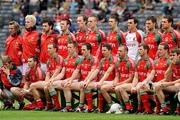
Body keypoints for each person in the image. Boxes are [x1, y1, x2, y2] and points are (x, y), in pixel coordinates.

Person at [117, 43, 154, 113]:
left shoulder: (150, 61)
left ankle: (140, 108)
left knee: (140, 87)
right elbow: (136, 77)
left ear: (146, 50)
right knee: (120, 88)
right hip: (138, 84)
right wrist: (133, 86)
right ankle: (128, 108)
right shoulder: (138, 62)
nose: (139, 51)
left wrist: (139, 84)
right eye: (138, 49)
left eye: (140, 49)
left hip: (150, 84)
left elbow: (149, 78)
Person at [61, 42, 98, 112]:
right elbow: (76, 71)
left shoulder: (94, 59)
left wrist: (86, 81)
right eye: (82, 50)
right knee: (66, 85)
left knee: (82, 86)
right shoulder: (81, 59)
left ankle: (82, 106)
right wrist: (70, 80)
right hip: (82, 81)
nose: (82, 51)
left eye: (84, 50)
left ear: (89, 50)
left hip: (92, 81)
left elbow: (92, 72)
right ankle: (68, 107)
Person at [46, 41, 80, 112]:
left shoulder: (79, 59)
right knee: (50, 84)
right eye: (67, 47)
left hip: (76, 80)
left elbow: (78, 74)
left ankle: (68, 107)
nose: (68, 49)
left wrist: (69, 79)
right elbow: (62, 74)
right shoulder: (66, 59)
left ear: (75, 48)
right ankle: (57, 105)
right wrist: (53, 79)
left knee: (65, 84)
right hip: (67, 80)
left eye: (70, 47)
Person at [83, 43, 117, 112]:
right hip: (103, 81)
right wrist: (88, 80)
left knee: (100, 86)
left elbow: (108, 72)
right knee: (88, 86)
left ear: (110, 51)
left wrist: (101, 82)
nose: (103, 52)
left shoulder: (113, 59)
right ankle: (90, 108)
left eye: (105, 50)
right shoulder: (102, 60)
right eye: (102, 50)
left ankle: (110, 107)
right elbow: (96, 70)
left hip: (112, 81)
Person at [30, 43, 63, 110]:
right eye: (48, 48)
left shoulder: (59, 58)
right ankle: (41, 105)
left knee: (46, 87)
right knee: (32, 85)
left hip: (58, 80)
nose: (48, 50)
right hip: (50, 80)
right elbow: (48, 73)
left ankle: (54, 105)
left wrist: (50, 80)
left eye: (50, 48)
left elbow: (57, 72)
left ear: (55, 49)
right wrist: (46, 81)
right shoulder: (49, 60)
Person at [103, 45, 135, 114]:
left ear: (126, 52)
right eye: (118, 51)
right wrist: (115, 83)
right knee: (103, 88)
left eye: (120, 51)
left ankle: (127, 108)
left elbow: (130, 78)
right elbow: (117, 75)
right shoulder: (117, 62)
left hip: (130, 84)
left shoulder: (130, 62)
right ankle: (113, 107)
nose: (118, 52)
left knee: (118, 88)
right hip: (119, 84)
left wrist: (118, 84)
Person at [141, 42, 171, 114]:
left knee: (156, 86)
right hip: (157, 84)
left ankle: (163, 109)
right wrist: (145, 81)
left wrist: (158, 83)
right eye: (158, 49)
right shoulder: (156, 61)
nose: (158, 51)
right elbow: (152, 74)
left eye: (160, 50)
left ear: (166, 50)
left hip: (167, 84)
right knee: (142, 87)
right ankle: (148, 110)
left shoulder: (169, 61)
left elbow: (168, 78)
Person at [154, 48, 180, 114]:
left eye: (173, 55)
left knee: (177, 85)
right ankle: (164, 108)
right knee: (157, 86)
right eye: (170, 55)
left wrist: (169, 84)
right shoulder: (172, 64)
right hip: (173, 85)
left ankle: (178, 109)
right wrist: (171, 66)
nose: (171, 57)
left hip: (177, 85)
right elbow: (167, 77)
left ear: (179, 56)